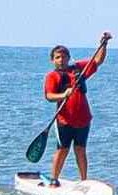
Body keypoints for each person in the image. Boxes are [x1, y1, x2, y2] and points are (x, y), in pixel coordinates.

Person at [42, 31, 112, 186]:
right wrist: (63, 95)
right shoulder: (52, 76)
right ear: (53, 60)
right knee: (63, 150)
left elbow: (98, 60)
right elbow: (49, 96)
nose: (61, 60)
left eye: (64, 57)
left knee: (81, 150)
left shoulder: (78, 69)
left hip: (83, 119)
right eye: (57, 57)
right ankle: (54, 179)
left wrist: (104, 44)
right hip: (64, 120)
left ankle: (84, 181)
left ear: (68, 58)